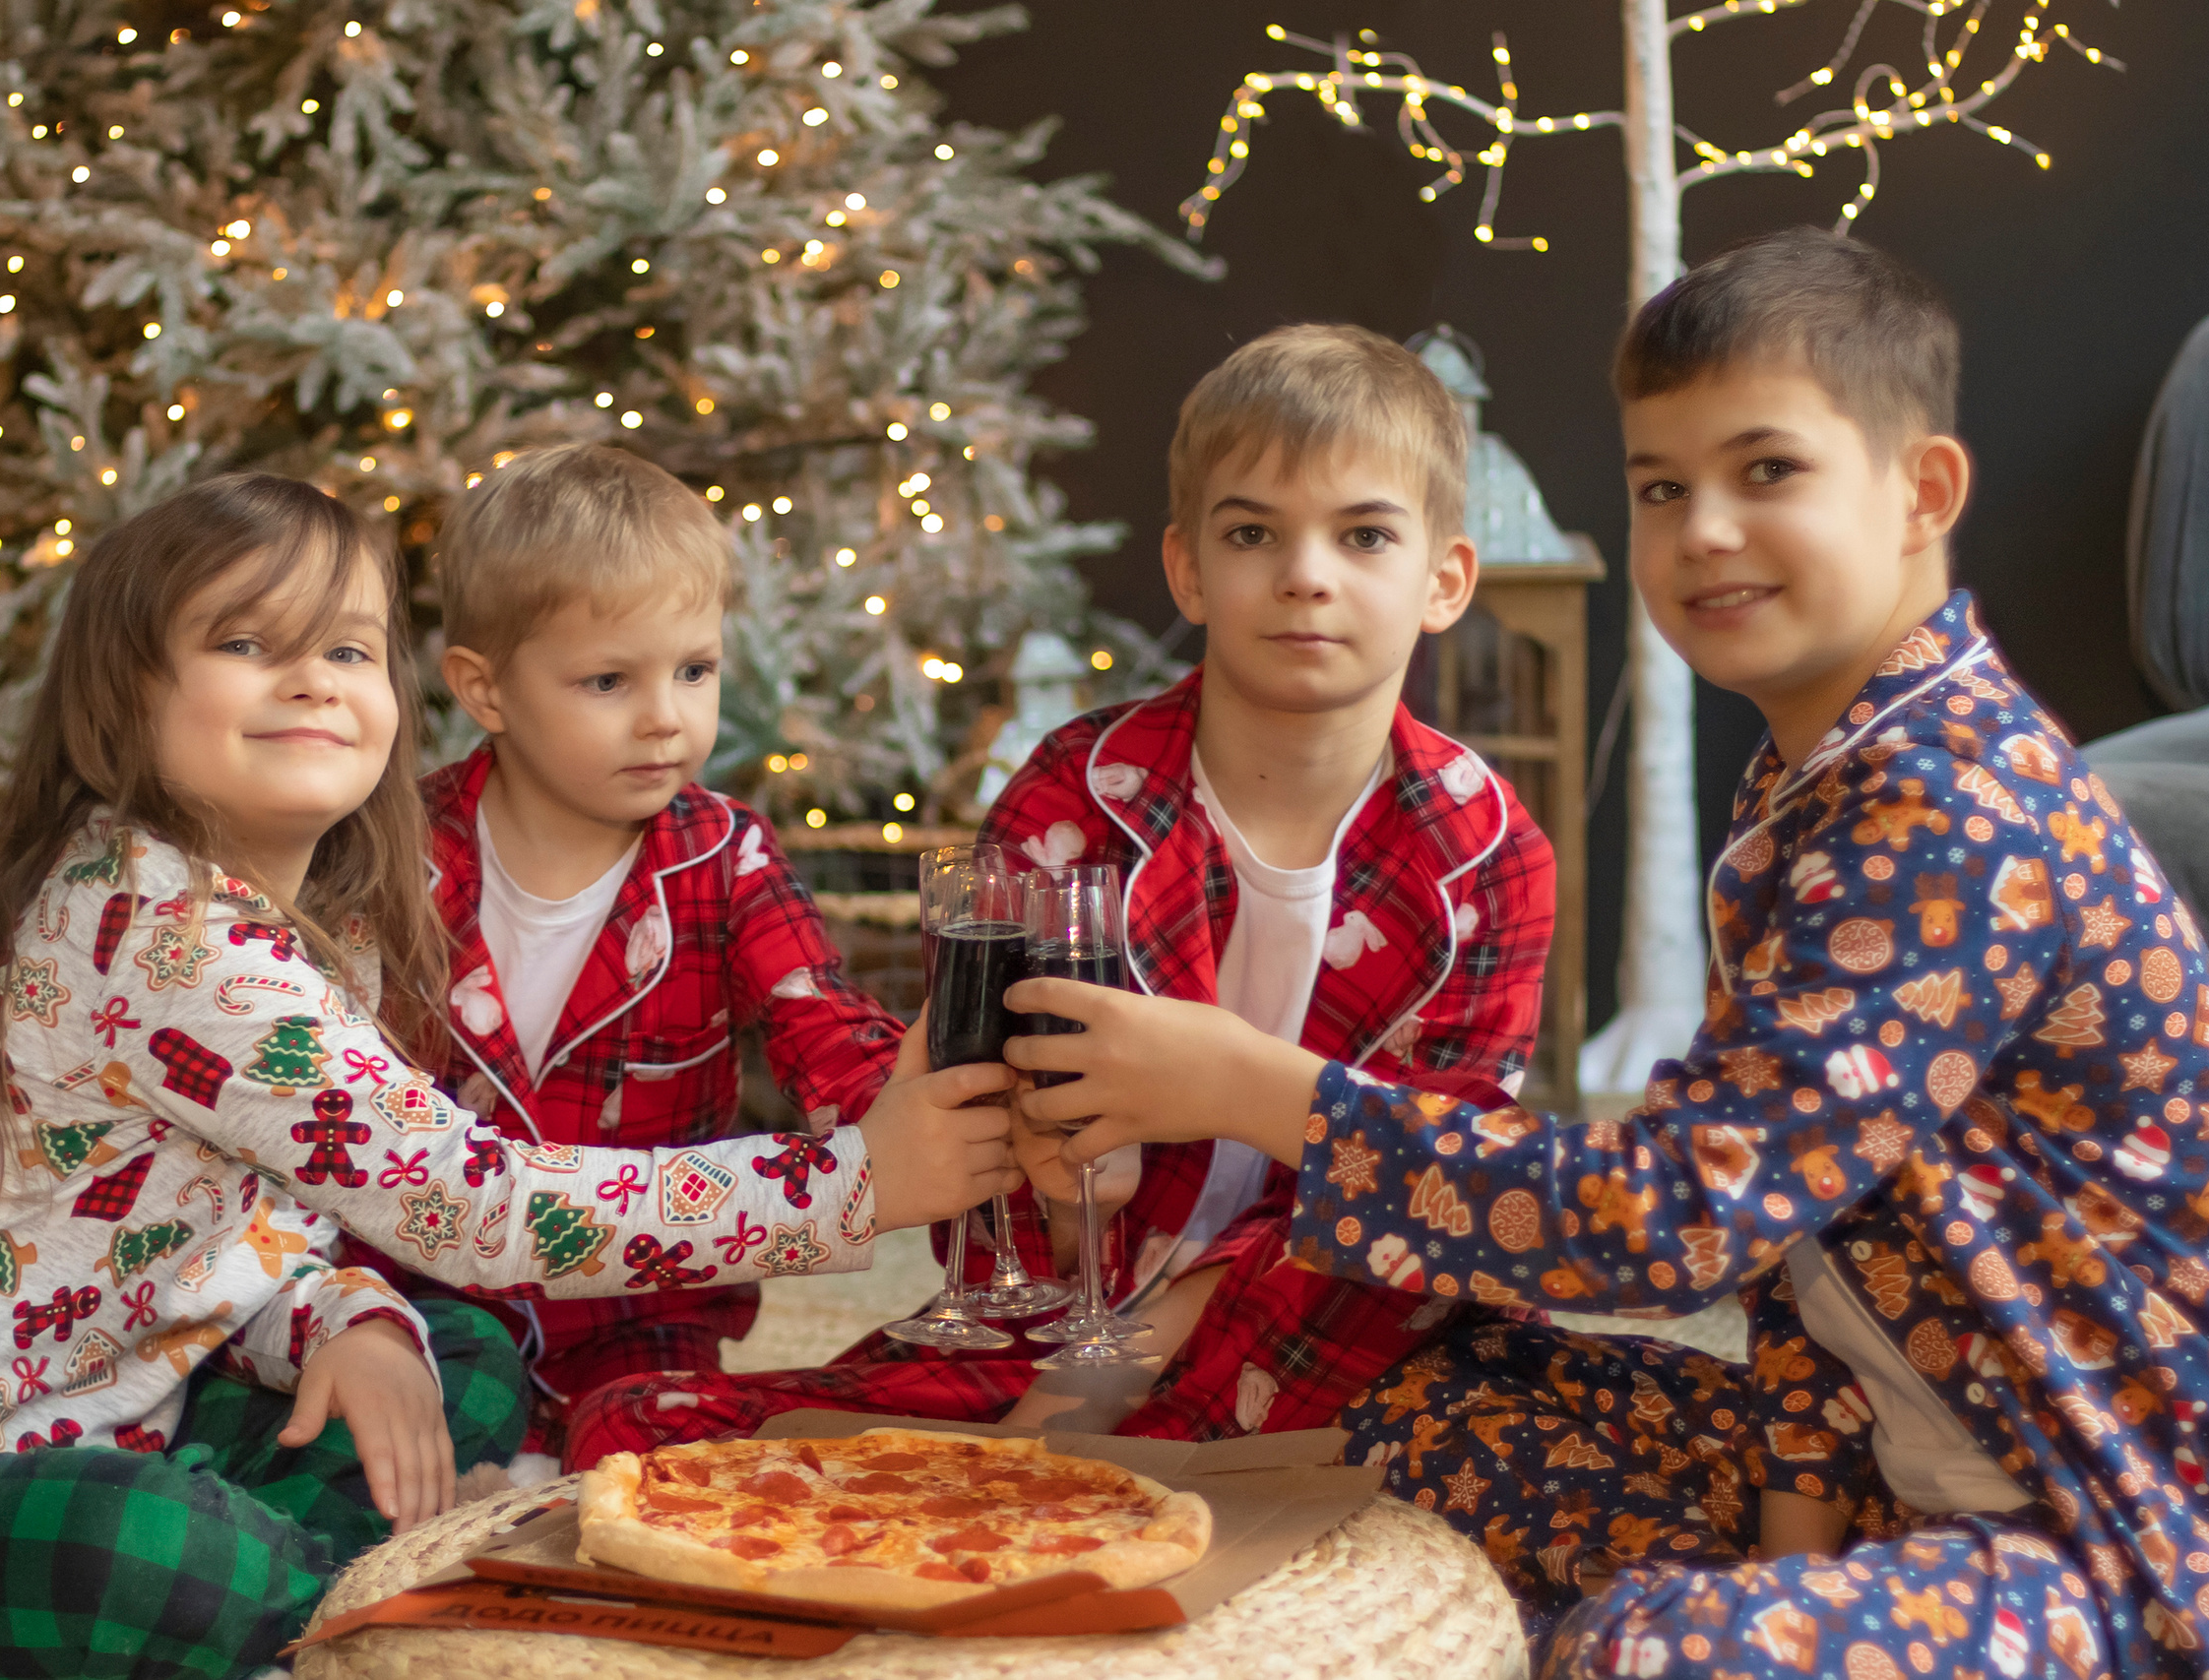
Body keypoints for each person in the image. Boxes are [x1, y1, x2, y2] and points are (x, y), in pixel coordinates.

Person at [999, 226, 2209, 1680]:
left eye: (1768, 472)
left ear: (1920, 490)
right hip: (1908, 1453)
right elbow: (1817, 1241)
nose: (1705, 532)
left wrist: (1262, 1088)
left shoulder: (1953, 813)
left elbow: (1678, 1213)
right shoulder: (1810, 789)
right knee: (1398, 1402)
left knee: (1653, 1650)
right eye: (1663, 487)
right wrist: (1796, 1530)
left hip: (2136, 1533)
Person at [0, 474, 1016, 1680]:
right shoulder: (161, 929)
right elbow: (474, 1204)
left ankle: (284, 1576)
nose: (315, 679)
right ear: (126, 697)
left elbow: (214, 1237)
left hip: (104, 1407)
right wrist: (851, 1184)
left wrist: (347, 1316)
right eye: (245, 642)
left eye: (349, 650)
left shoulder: (319, 925)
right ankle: (324, 1590)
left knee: (449, 1355)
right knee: (144, 1549)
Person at [567, 323, 1555, 1462]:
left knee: (1431, 1241)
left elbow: (1426, 1174)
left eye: (1364, 535)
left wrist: (1095, 1389)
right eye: (1253, 533)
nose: (1305, 575)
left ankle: (1135, 1454)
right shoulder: (1075, 794)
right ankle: (1126, 1456)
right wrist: (1061, 1172)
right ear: (1188, 568)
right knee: (644, 1434)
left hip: (1331, 1324)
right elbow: (979, 1092)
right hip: (1067, 1307)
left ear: (1444, 581)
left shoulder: (1490, 856)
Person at [336, 444, 901, 1461]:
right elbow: (331, 1106)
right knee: (399, 1432)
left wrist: (918, 1103)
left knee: (651, 1452)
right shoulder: (390, 863)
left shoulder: (727, 859)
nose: (666, 719)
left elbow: (825, 1029)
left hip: (643, 1312)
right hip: (434, 1295)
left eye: (695, 670)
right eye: (608, 680)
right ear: (486, 688)